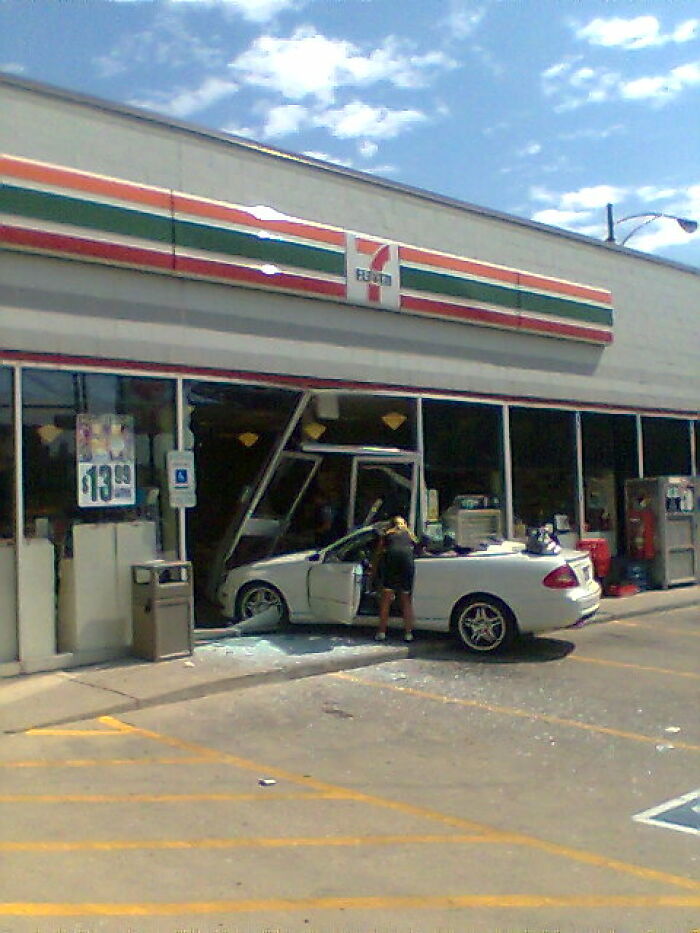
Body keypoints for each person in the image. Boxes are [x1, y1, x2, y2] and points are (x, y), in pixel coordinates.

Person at [372, 515, 417, 643]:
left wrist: (373, 570)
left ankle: (381, 632)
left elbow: (378, 553)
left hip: (392, 563)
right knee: (405, 599)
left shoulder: (387, 535)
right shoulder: (410, 535)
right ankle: (408, 633)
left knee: (386, 599)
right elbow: (420, 549)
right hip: (407, 564)